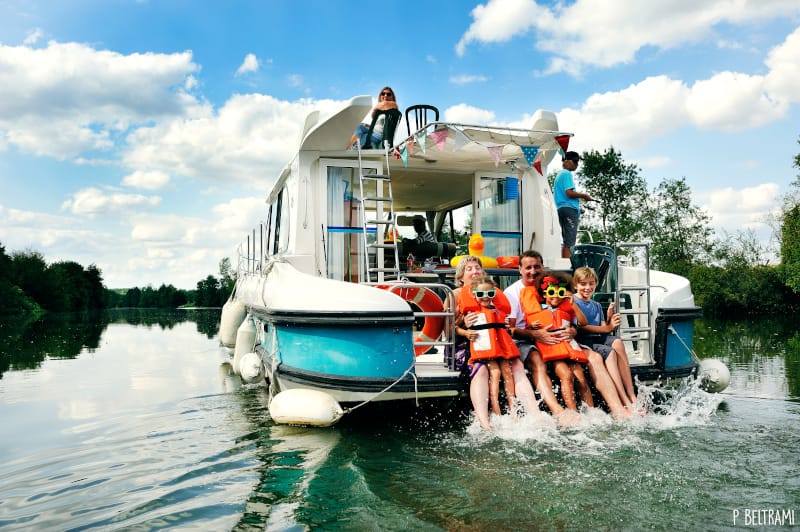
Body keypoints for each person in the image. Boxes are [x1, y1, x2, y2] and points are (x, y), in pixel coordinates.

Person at [505, 250, 633, 421]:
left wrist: (573, 329)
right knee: (542, 363)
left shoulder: (554, 286)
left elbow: (574, 320)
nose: (533, 271)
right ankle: (560, 412)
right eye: (528, 267)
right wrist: (534, 333)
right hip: (526, 339)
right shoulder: (513, 293)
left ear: (543, 267)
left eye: (537, 266)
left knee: (594, 358)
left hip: (564, 340)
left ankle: (615, 409)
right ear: (519, 269)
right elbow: (510, 330)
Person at [450, 256, 539, 430]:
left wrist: (502, 323)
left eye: (477, 268)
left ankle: (532, 413)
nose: (475, 271)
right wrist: (463, 323)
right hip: (465, 345)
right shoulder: (454, 295)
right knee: (481, 370)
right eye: (469, 269)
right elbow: (446, 331)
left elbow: (502, 318)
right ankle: (485, 422)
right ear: (461, 276)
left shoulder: (493, 293)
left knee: (517, 365)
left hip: (497, 344)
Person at [524, 271, 594, 413]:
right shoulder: (538, 311)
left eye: (560, 292)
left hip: (569, 348)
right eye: (551, 292)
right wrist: (531, 328)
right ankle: (572, 412)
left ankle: (592, 412)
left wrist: (572, 304)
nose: (556, 295)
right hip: (553, 351)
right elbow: (529, 330)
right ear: (544, 295)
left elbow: (583, 322)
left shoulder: (567, 309)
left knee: (581, 378)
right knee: (566, 375)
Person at [572, 266, 637, 407]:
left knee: (618, 342)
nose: (587, 287)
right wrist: (607, 327)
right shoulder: (573, 302)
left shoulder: (596, 305)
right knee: (610, 353)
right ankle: (623, 399)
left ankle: (631, 395)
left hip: (596, 338)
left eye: (591, 283)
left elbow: (604, 329)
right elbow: (580, 328)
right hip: (584, 341)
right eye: (583, 284)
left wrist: (608, 319)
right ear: (575, 285)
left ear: (596, 283)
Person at [461, 275, 518, 417]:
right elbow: (456, 327)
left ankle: (513, 409)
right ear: (474, 295)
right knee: (496, 373)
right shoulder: (471, 313)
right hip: (486, 348)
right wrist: (467, 332)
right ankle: (495, 408)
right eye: (481, 294)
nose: (485, 297)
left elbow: (508, 328)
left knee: (508, 373)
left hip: (501, 347)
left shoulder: (499, 310)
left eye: (490, 294)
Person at [553, 151, 593, 258]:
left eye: (577, 162)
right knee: (569, 243)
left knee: (566, 240)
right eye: (575, 161)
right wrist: (584, 196)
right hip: (569, 211)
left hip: (562, 209)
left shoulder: (559, 175)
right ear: (566, 161)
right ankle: (568, 269)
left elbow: (563, 198)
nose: (576, 164)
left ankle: (565, 267)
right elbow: (569, 193)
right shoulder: (566, 173)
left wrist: (580, 209)